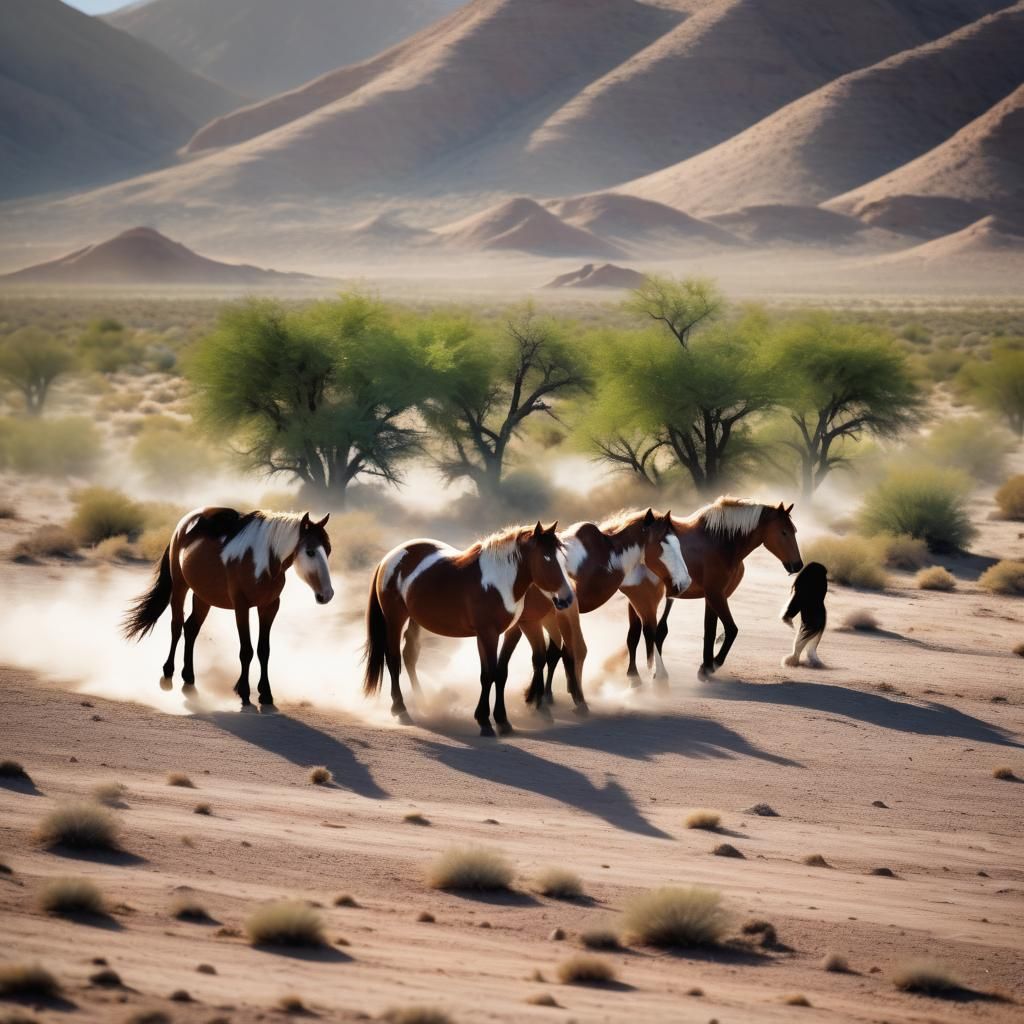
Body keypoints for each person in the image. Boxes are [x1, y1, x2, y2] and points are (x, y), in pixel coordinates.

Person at [781, 561, 827, 668]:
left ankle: (797, 662)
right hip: (820, 617)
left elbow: (797, 601)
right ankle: (813, 663)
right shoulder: (820, 583)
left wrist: (788, 615)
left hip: (811, 618)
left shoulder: (804, 587)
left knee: (799, 646)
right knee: (811, 648)